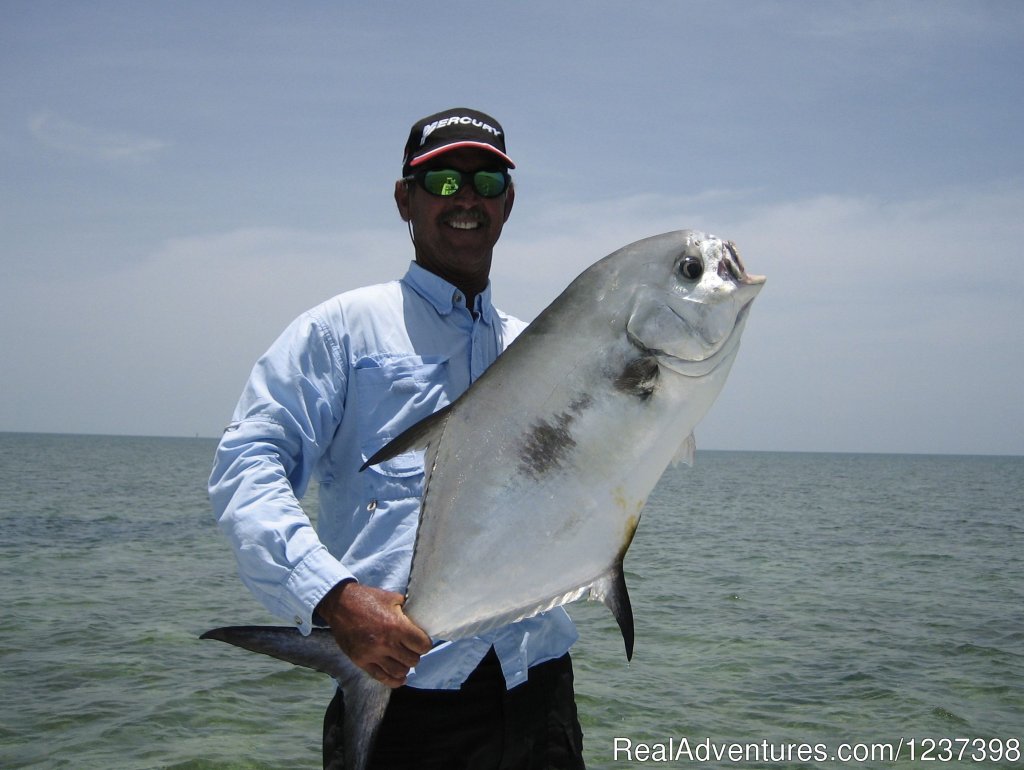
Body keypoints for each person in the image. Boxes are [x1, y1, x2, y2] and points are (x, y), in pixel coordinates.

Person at [208, 108, 586, 769]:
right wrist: (334, 597)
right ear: (403, 199)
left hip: (542, 691)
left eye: (487, 182)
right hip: (402, 702)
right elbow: (248, 465)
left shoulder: (540, 350)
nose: (465, 198)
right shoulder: (340, 332)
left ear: (509, 203)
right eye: (441, 180)